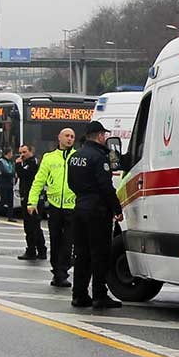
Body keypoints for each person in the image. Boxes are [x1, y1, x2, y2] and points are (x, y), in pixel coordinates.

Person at [66, 120, 122, 309]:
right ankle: (99, 294)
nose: (105, 138)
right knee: (100, 254)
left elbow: (71, 183)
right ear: (99, 136)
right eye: (104, 135)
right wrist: (117, 209)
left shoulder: (75, 156)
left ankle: (79, 295)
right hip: (97, 212)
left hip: (80, 208)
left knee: (81, 254)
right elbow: (106, 187)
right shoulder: (99, 157)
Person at [29, 126, 78, 288]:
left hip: (72, 207)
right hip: (55, 207)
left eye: (72, 136)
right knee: (56, 240)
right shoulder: (49, 158)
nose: (70, 139)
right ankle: (57, 271)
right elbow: (38, 181)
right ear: (59, 138)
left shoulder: (77, 157)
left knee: (69, 242)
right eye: (67, 136)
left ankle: (62, 271)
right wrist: (32, 202)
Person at [14, 143, 47, 261]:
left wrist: (18, 165)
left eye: (24, 152)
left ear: (31, 151)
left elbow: (24, 175)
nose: (22, 155)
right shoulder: (26, 163)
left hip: (33, 199)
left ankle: (38, 250)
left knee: (33, 226)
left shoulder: (33, 163)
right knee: (29, 226)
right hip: (26, 197)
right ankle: (33, 249)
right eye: (20, 153)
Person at [0, 147, 17, 218]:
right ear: (8, 153)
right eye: (11, 153)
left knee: (10, 201)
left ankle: (10, 216)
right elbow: (4, 172)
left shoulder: (10, 162)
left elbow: (13, 170)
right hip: (2, 183)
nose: (12, 155)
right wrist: (12, 174)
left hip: (9, 183)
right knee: (3, 200)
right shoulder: (1, 161)